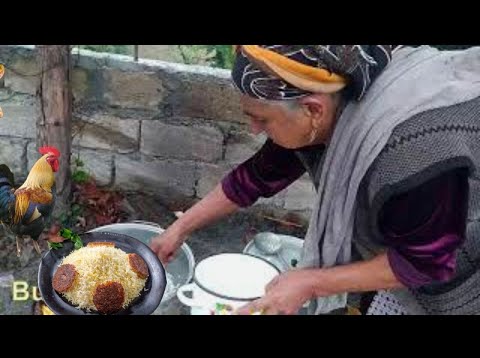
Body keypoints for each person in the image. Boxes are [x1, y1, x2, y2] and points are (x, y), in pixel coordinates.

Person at [150, 45, 480, 315]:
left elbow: (425, 264)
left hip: (456, 268)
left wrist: (311, 282)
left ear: (313, 109)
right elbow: (256, 177)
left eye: (261, 118)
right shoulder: (331, 103)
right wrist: (181, 228)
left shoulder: (412, 152)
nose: (253, 129)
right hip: (412, 242)